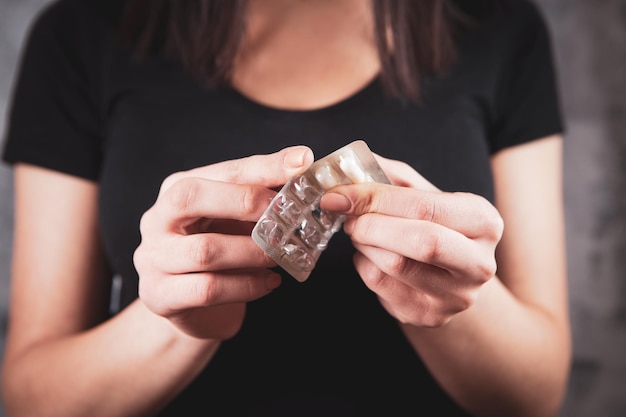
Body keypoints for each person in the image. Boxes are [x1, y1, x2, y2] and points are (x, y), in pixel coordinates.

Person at [0, 0, 571, 416]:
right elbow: (32, 398)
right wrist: (177, 324)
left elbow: (537, 393)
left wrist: (446, 293)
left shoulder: (500, 27)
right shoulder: (81, 33)